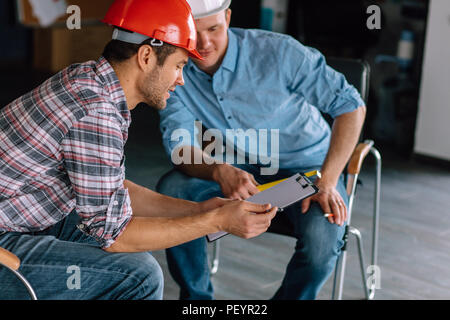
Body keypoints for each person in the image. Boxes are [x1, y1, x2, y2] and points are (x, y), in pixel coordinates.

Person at [0, 0, 277, 300]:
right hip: (6, 241)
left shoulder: (90, 81)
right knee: (139, 276)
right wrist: (217, 221)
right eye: (178, 66)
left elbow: (113, 192)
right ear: (146, 56)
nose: (181, 80)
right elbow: (115, 236)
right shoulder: (96, 110)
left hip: (23, 218)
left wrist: (199, 209)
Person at [156, 0, 367, 300]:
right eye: (194, 31)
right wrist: (219, 169)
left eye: (214, 29)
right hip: (236, 166)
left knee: (322, 241)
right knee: (173, 190)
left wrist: (329, 180)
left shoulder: (279, 51)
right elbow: (180, 148)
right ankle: (197, 301)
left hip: (308, 170)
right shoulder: (175, 69)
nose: (203, 43)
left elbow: (351, 105)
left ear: (228, 17)